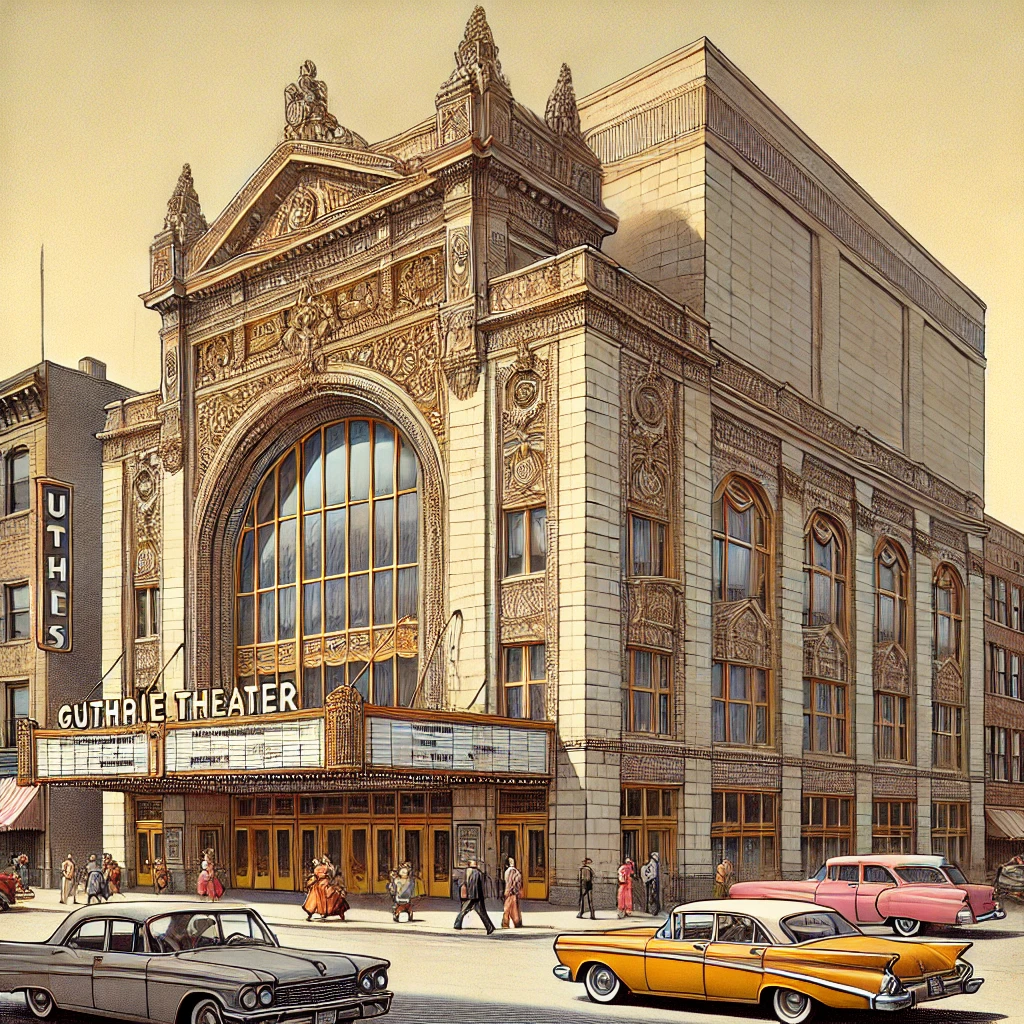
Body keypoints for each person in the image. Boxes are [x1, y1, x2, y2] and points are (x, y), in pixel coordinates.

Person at [453, 859, 495, 934]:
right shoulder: (478, 873)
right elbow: (481, 885)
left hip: (470, 896)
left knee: (465, 910)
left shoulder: (465, 872)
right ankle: (489, 927)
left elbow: (462, 883)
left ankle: (457, 924)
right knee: (481, 912)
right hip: (476, 896)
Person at [501, 856, 523, 928]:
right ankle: (516, 923)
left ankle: (506, 923)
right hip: (515, 892)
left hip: (511, 892)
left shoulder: (510, 871)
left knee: (508, 909)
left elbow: (510, 882)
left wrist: (507, 891)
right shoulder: (516, 871)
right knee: (514, 908)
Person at [641, 851, 661, 916]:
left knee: (652, 895)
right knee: (653, 895)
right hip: (653, 881)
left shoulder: (652, 863)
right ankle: (654, 909)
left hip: (651, 881)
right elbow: (654, 874)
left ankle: (651, 909)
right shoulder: (653, 863)